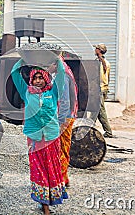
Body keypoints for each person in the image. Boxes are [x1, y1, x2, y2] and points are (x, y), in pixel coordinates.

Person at [11, 58, 68, 215]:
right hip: (34, 137)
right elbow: (14, 73)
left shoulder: (53, 92)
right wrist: (24, 59)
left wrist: (55, 57)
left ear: (46, 78)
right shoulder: (26, 92)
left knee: (52, 168)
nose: (37, 81)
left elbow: (61, 73)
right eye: (35, 78)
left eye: (40, 77)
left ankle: (49, 199)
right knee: (38, 169)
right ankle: (43, 203)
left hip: (51, 136)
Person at [57, 57, 78, 187]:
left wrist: (60, 121)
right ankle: (63, 178)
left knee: (61, 149)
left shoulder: (62, 74)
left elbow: (64, 101)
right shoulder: (65, 69)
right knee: (64, 148)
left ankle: (61, 179)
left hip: (65, 117)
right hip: (68, 115)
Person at [94, 43, 113, 138]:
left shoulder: (99, 63)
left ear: (99, 51)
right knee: (95, 110)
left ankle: (108, 131)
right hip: (104, 89)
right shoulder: (106, 62)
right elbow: (107, 78)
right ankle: (90, 128)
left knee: (100, 111)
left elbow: (98, 78)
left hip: (100, 89)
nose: (94, 50)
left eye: (96, 49)